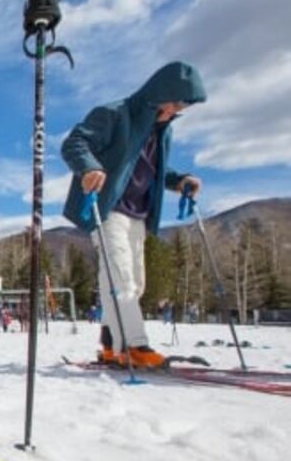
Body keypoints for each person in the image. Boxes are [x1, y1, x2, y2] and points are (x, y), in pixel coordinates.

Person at [61, 61, 206, 368]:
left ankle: (109, 345)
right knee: (120, 279)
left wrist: (179, 181)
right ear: (159, 94)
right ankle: (135, 345)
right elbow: (75, 143)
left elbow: (155, 170)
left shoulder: (162, 132)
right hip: (108, 208)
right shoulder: (115, 114)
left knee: (133, 284)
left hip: (138, 213)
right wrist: (88, 167)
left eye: (181, 109)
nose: (174, 113)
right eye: (174, 104)